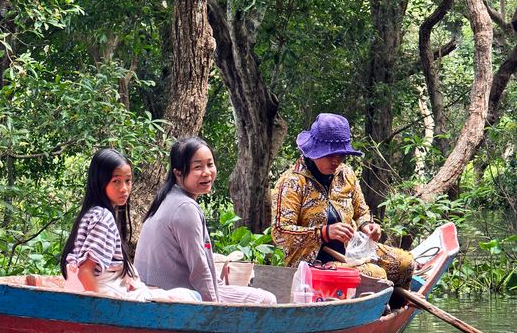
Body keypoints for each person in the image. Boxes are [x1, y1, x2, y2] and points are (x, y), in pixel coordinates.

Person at [271, 112, 414, 288]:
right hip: (311, 265)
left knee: (405, 264)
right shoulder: (292, 182)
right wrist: (323, 233)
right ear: (315, 151)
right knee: (375, 275)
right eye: (331, 155)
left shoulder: (346, 174)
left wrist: (367, 225)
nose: (337, 161)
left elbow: (361, 212)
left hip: (354, 253)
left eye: (341, 156)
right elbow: (279, 233)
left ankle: (390, 306)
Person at [134, 137, 277, 305]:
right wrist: (213, 310)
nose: (207, 172)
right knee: (267, 300)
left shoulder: (168, 198)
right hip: (175, 297)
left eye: (210, 164)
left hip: (158, 292)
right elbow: (199, 270)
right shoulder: (184, 207)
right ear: (178, 173)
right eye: (197, 167)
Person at [61, 148, 199, 302]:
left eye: (128, 181)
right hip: (108, 296)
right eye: (116, 181)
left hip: (108, 290)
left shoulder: (92, 213)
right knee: (193, 296)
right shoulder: (103, 217)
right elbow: (85, 271)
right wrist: (100, 314)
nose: (124, 189)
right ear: (100, 182)